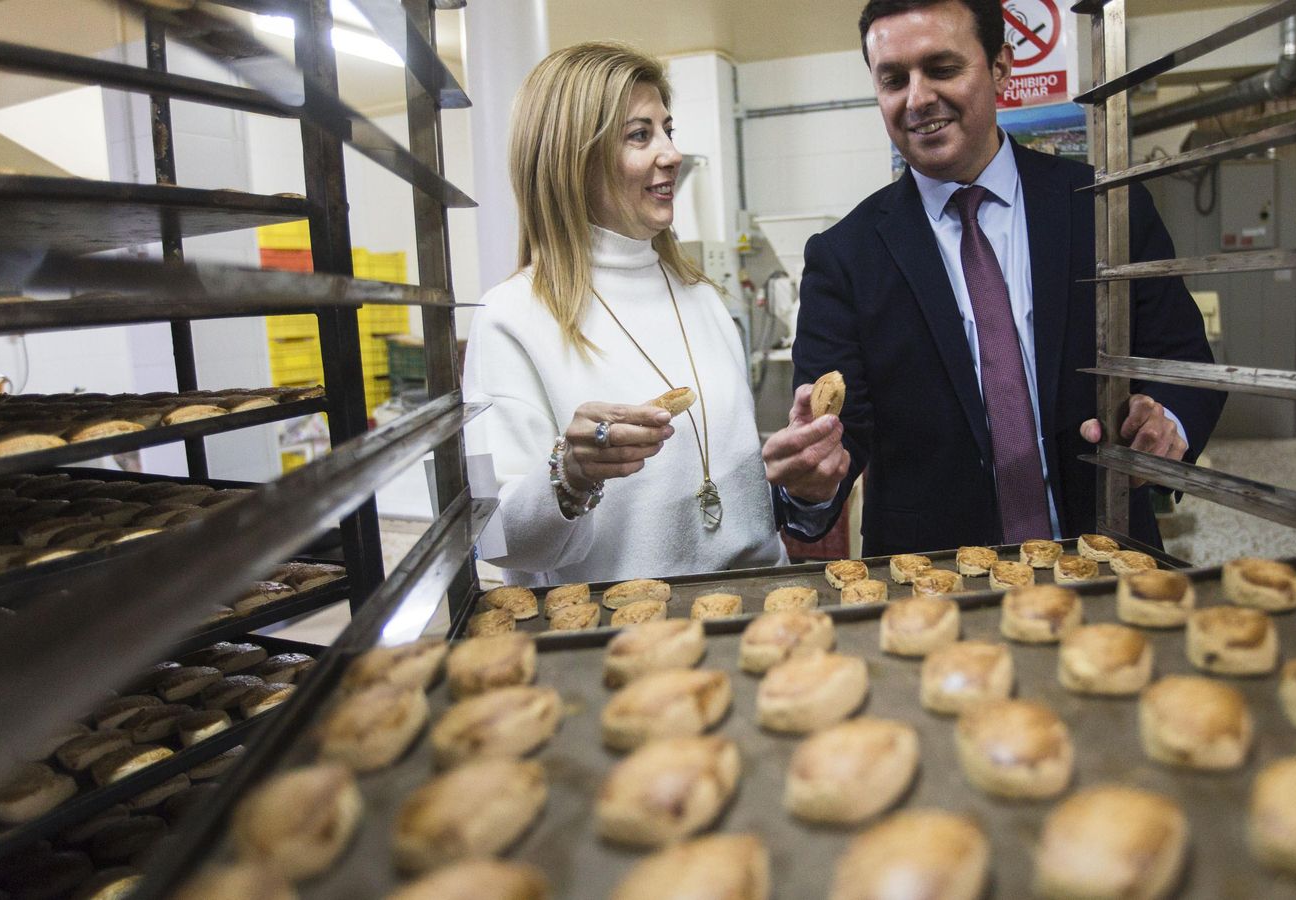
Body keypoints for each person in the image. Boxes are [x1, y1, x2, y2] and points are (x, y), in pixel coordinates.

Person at [761, 0, 1225, 556]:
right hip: (933, 586)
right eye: (893, 79)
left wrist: (1165, 421)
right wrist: (813, 482)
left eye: (941, 68)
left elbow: (1184, 362)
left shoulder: (1103, 207)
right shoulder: (844, 257)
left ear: (1001, 66)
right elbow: (839, 438)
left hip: (1106, 556)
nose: (917, 99)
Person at [464, 42, 787, 584]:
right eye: (640, 135)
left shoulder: (701, 295)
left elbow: (732, 478)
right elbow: (493, 538)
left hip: (752, 607)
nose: (671, 153)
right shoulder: (509, 317)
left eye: (668, 129)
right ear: (574, 159)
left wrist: (786, 471)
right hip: (613, 639)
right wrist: (568, 477)